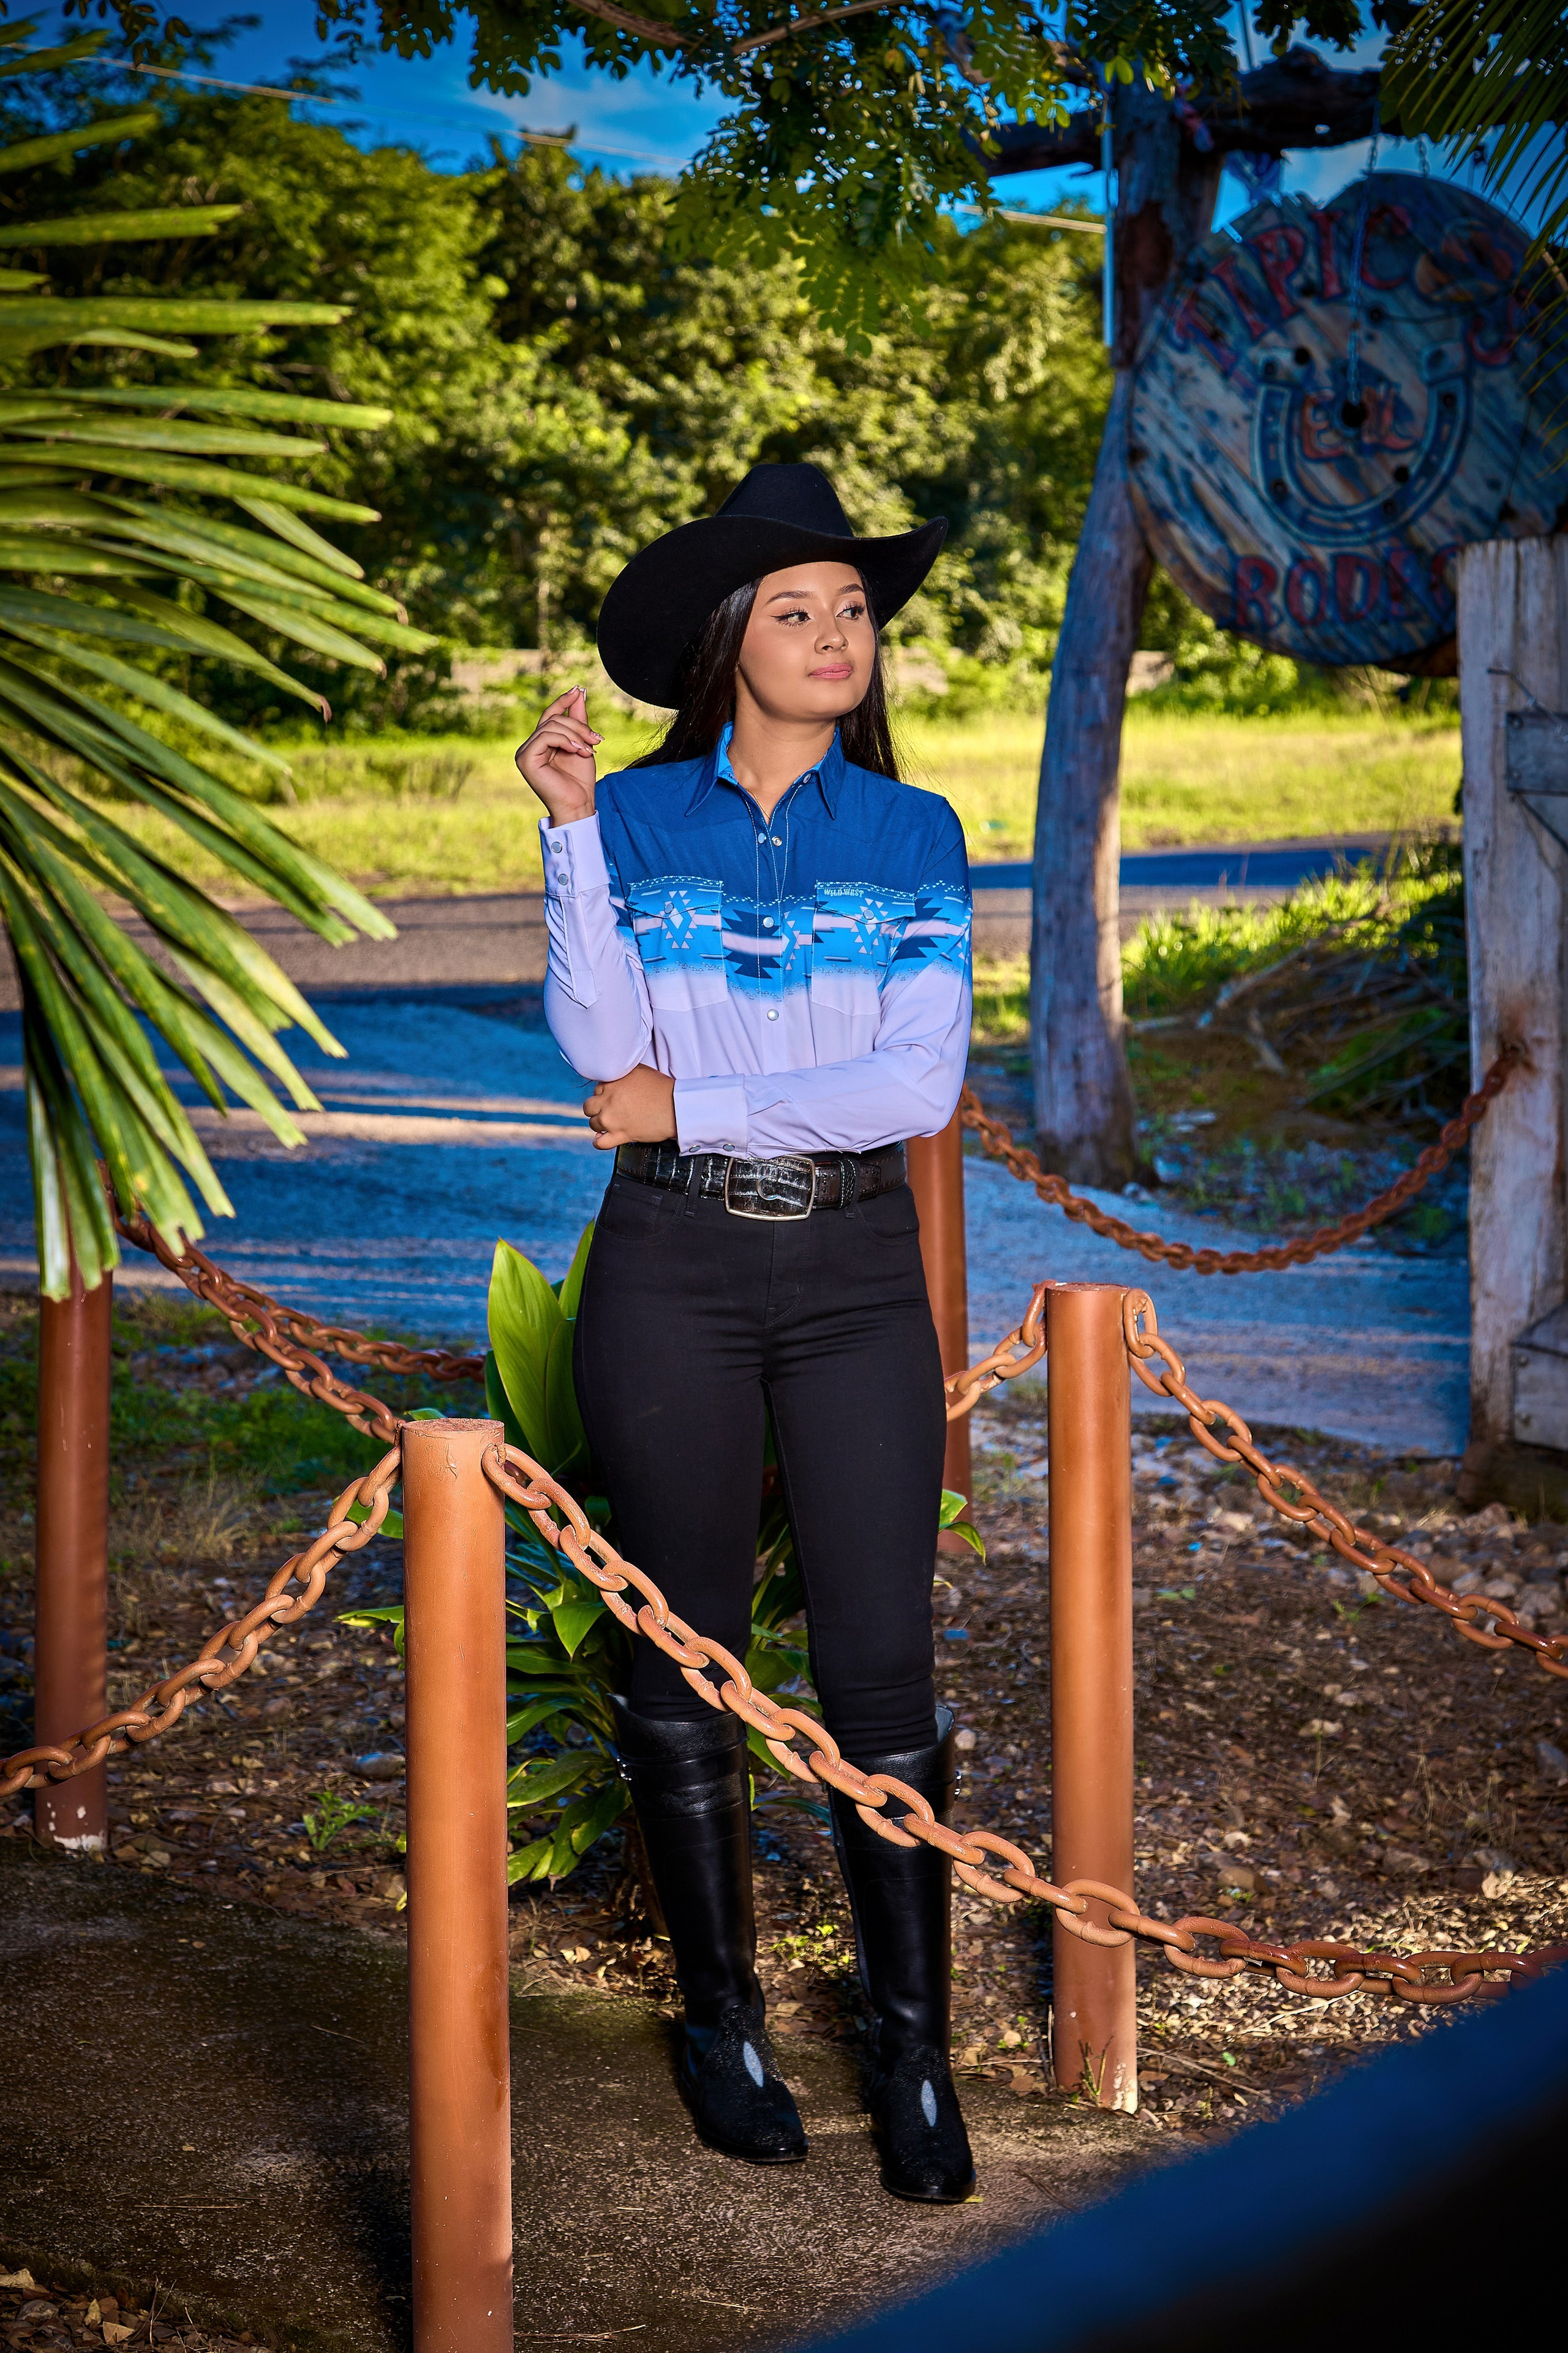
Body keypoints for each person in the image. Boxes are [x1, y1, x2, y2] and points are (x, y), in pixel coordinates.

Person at [514, 463, 975, 2204]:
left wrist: (687, 1098)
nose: (837, 633)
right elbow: (591, 1043)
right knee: (684, 1651)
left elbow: (910, 1083)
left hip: (862, 1274)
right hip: (671, 1282)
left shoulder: (913, 834)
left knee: (880, 1667)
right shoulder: (630, 819)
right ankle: (726, 2025)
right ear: (729, 642)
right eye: (799, 609)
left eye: (853, 608)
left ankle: (910, 2053)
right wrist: (566, 833)